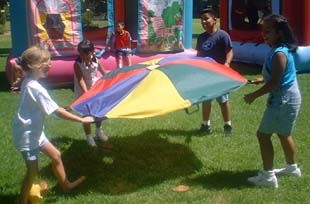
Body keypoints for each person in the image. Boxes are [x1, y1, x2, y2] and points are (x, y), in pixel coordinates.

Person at [13, 45, 94, 204]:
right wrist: (82, 120)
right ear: (34, 66)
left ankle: (66, 185)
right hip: (27, 136)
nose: (50, 65)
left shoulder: (29, 80)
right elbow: (56, 111)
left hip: (35, 132)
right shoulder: (35, 87)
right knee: (32, 172)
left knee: (56, 155)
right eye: (46, 62)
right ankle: (21, 201)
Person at [244, 14, 302, 188]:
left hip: (283, 100)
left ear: (279, 33)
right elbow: (278, 76)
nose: (264, 34)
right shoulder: (279, 50)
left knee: (263, 135)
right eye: (263, 30)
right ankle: (292, 168)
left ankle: (268, 177)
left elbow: (275, 82)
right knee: (284, 134)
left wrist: (254, 95)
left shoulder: (279, 54)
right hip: (289, 98)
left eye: (268, 31)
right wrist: (261, 79)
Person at [196, 8, 234, 136]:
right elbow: (199, 55)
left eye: (206, 18)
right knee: (206, 99)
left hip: (219, 74)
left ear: (215, 20)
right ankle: (205, 125)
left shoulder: (222, 35)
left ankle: (227, 125)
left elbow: (230, 51)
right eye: (202, 20)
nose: (204, 21)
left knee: (223, 100)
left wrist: (227, 64)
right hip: (206, 74)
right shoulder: (201, 37)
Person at [74, 39, 110, 147]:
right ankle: (89, 137)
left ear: (92, 52)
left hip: (95, 90)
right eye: (81, 55)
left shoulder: (97, 60)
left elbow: (104, 73)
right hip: (83, 92)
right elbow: (81, 80)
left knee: (98, 112)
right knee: (86, 115)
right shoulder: (77, 64)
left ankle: (99, 131)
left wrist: (111, 81)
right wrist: (87, 94)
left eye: (86, 55)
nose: (84, 57)